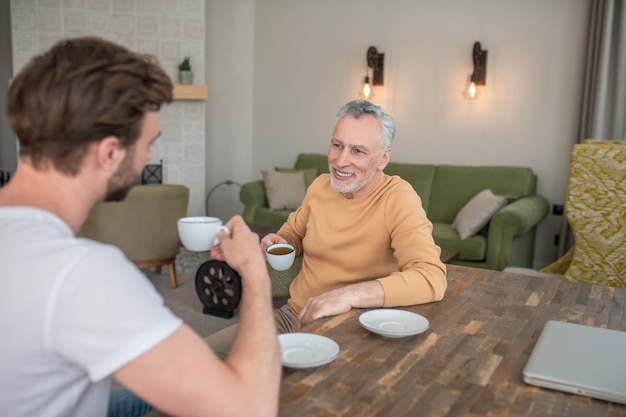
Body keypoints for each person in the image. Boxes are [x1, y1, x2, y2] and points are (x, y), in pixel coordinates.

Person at [0, 36, 281, 417]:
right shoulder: (82, 273)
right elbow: (249, 410)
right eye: (149, 142)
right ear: (110, 152)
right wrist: (254, 271)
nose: (149, 155)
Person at [206, 99, 447, 357]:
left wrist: (346, 296)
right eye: (337, 145)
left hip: (352, 327)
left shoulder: (398, 198)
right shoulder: (320, 186)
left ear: (383, 158)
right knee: (200, 358)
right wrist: (281, 241)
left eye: (358, 151)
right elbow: (294, 231)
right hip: (293, 318)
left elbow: (431, 277)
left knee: (289, 391)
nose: (341, 161)